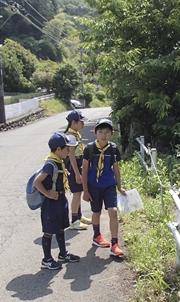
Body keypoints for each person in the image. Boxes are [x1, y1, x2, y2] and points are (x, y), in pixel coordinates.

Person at [33, 132, 81, 270]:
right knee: (49, 231)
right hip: (51, 203)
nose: (69, 150)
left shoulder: (59, 161)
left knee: (60, 228)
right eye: (67, 148)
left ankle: (63, 254)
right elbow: (37, 182)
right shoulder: (51, 164)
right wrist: (47, 193)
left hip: (60, 199)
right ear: (59, 150)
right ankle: (46, 259)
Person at [82, 118, 126, 257]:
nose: (103, 135)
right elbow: (84, 170)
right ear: (95, 133)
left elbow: (116, 169)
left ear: (112, 134)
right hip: (94, 185)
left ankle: (115, 244)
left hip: (109, 185)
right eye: (100, 131)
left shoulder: (113, 149)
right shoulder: (89, 149)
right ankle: (97, 236)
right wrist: (85, 191)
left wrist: (120, 186)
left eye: (107, 132)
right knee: (97, 212)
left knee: (113, 211)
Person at [64, 110, 92, 230]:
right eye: (81, 122)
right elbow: (71, 156)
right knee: (76, 194)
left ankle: (79, 216)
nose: (83, 124)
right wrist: (77, 174)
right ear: (73, 122)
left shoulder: (75, 134)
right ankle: (74, 220)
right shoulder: (71, 136)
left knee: (79, 192)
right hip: (73, 167)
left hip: (78, 164)